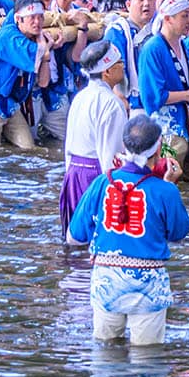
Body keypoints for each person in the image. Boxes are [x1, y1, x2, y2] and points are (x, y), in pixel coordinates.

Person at [66, 114, 189, 346]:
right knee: (147, 360)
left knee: (105, 354)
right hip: (147, 285)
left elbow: (74, 237)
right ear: (158, 148)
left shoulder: (102, 183)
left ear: (124, 145)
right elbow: (179, 232)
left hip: (107, 283)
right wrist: (170, 185)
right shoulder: (165, 191)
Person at [133, 0, 189, 181]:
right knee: (166, 179)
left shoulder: (182, 44)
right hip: (165, 129)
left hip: (186, 124)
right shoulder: (152, 48)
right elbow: (153, 97)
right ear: (168, 19)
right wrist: (187, 95)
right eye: (184, 16)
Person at [61, 40, 129, 233]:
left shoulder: (80, 97)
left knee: (76, 238)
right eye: (119, 64)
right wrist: (116, 196)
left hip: (73, 174)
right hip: (94, 177)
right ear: (107, 71)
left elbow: (68, 145)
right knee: (97, 238)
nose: (123, 67)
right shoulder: (111, 104)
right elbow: (111, 157)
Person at [0, 0, 50, 151]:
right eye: (32, 18)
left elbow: (43, 81)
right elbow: (37, 53)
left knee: (28, 148)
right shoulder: (8, 36)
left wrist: (45, 51)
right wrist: (45, 47)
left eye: (41, 17)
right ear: (18, 19)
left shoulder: (28, 36)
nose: (37, 22)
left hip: (9, 102)